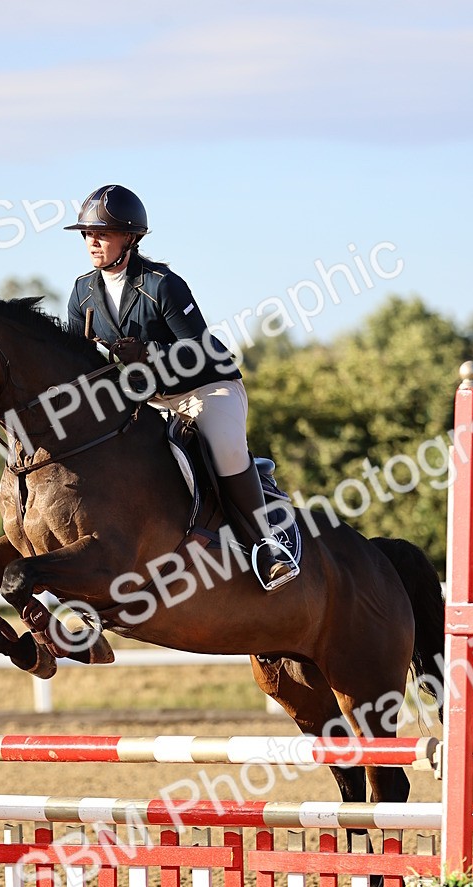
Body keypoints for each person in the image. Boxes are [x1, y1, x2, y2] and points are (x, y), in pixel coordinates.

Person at [65, 184, 298, 591]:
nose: (92, 241)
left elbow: (199, 349)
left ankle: (269, 544)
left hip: (206, 389)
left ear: (130, 238)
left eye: (102, 232)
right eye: (87, 233)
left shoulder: (162, 284)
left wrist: (150, 352)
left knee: (223, 447)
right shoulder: (82, 292)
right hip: (147, 399)